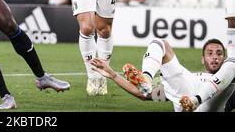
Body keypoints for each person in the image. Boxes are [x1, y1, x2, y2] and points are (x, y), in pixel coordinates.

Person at [92, 38, 235, 112]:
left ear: (223, 58)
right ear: (202, 59)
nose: (215, 57)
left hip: (215, 100)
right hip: (187, 93)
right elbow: (143, 95)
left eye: (219, 53)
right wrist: (113, 75)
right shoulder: (192, 77)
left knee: (233, 63)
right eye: (210, 53)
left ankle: (195, 101)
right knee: (160, 43)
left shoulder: (230, 81)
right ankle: (147, 78)